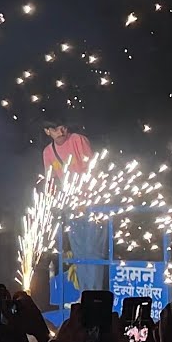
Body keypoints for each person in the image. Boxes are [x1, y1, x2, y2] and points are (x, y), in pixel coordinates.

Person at [42, 119, 104, 291]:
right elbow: (50, 180)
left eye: (62, 126)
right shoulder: (48, 152)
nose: (61, 131)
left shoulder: (78, 140)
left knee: (92, 250)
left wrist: (85, 199)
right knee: (79, 252)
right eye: (55, 129)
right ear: (48, 131)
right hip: (71, 205)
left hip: (92, 204)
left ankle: (95, 294)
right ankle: (84, 293)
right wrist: (52, 202)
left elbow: (92, 169)